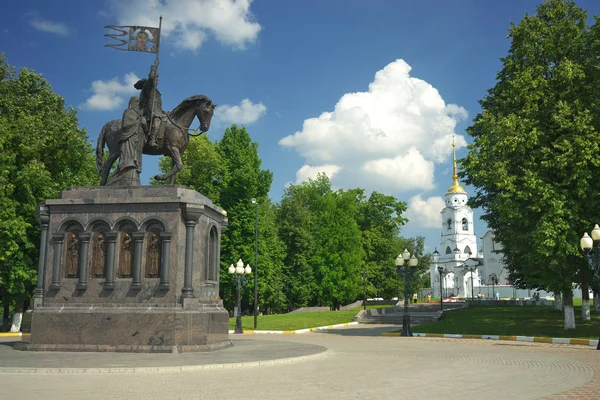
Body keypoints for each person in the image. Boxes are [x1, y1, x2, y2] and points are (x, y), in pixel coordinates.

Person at [134, 58, 166, 149]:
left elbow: (158, 106)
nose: (157, 80)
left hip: (157, 111)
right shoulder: (148, 87)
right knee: (157, 121)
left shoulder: (156, 91)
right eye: (157, 78)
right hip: (149, 111)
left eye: (158, 78)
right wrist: (155, 66)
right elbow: (151, 77)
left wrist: (163, 111)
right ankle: (152, 140)